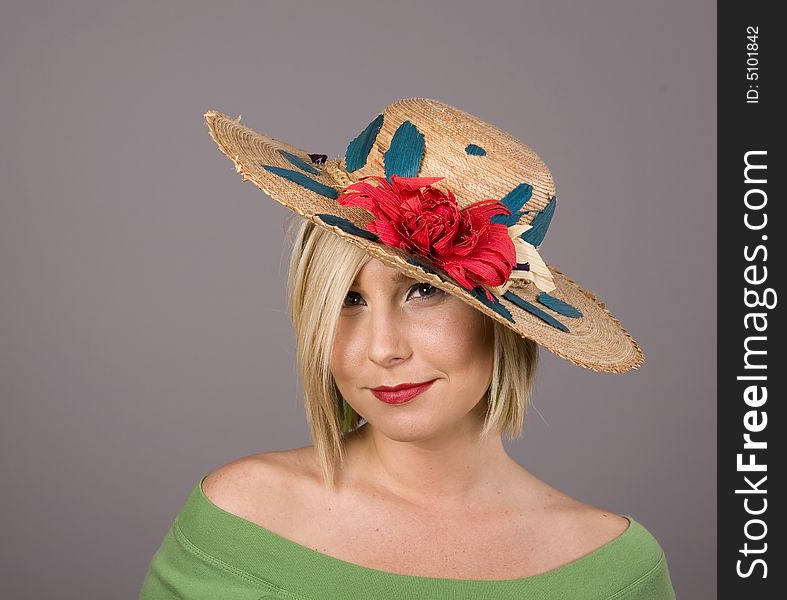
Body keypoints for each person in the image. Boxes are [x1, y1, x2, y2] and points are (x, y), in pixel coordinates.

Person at [139, 98, 676, 599]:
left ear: (505, 323)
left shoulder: (615, 572)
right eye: (348, 300)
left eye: (424, 292)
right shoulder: (240, 521)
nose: (382, 349)